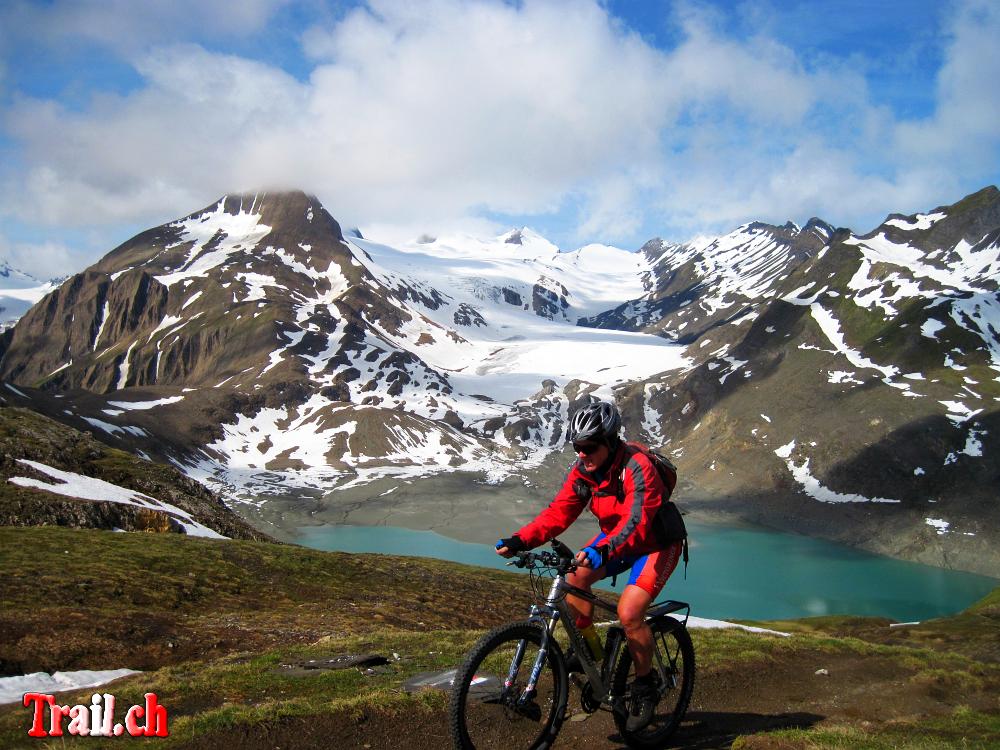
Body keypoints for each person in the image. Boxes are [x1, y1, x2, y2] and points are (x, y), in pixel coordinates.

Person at [496, 400, 686, 733]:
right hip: (617, 539)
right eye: (577, 447)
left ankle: (644, 685)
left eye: (589, 447)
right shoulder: (584, 471)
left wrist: (603, 550)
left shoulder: (637, 467)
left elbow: (638, 522)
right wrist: (520, 540)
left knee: (630, 614)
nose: (581, 454)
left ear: (610, 442)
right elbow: (559, 512)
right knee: (574, 575)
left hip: (656, 543)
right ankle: (588, 651)